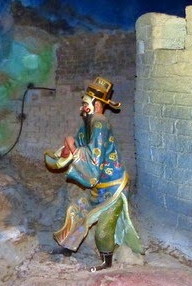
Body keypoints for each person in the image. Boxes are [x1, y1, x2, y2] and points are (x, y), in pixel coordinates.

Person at [45, 77, 143, 271]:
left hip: (114, 187)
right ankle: (68, 248)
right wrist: (65, 153)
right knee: (77, 211)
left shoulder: (99, 123)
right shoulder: (86, 126)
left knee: (103, 229)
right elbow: (77, 148)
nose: (82, 107)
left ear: (97, 104)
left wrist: (73, 149)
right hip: (99, 187)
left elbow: (93, 165)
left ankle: (107, 261)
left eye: (85, 103)